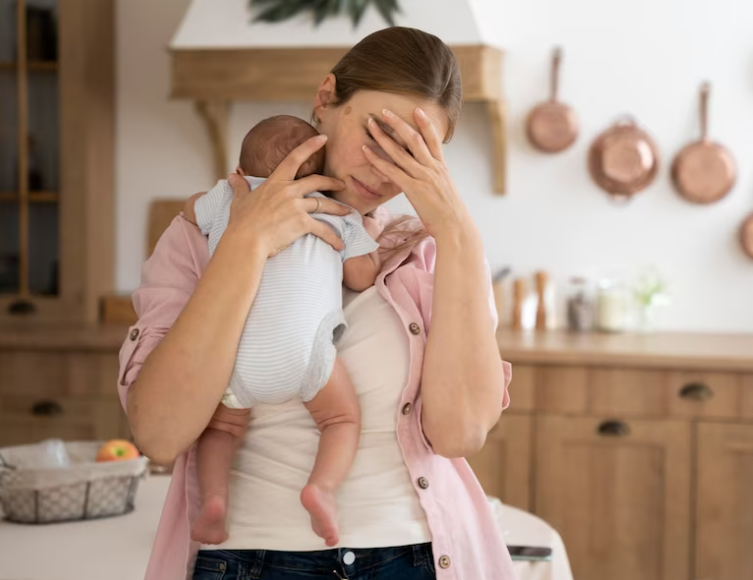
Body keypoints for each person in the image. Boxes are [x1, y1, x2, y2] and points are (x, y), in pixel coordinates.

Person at [118, 26, 517, 580]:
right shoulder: (201, 235)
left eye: (414, 156)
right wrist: (246, 244)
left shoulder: (424, 252)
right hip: (245, 561)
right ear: (326, 99)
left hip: (415, 558)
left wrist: (457, 231)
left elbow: (459, 432)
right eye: (378, 137)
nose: (384, 171)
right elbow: (160, 433)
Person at [183, 114, 381, 547]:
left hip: (234, 354)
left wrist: (222, 192)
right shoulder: (338, 212)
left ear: (239, 173)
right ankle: (321, 489)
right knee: (341, 418)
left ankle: (214, 501)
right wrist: (364, 235)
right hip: (304, 354)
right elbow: (363, 276)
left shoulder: (228, 198)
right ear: (323, 177)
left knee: (220, 430)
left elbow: (187, 212)